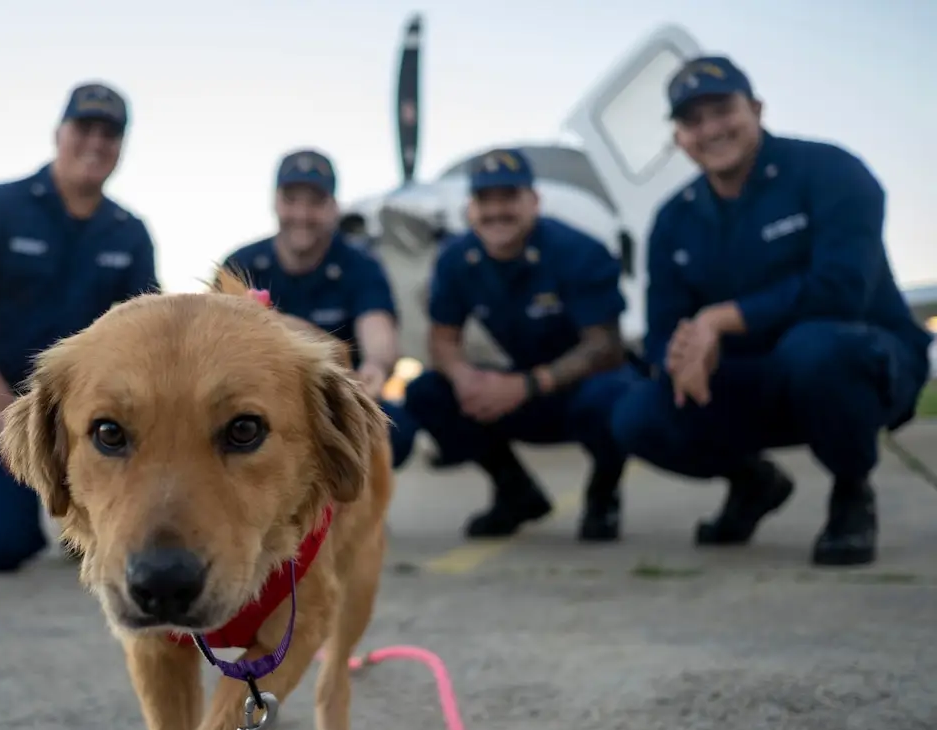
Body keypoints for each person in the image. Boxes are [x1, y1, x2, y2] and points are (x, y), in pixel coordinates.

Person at [609, 56, 933, 566]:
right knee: (636, 414)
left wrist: (718, 320)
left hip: (861, 362)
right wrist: (681, 355)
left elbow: (841, 290)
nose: (710, 129)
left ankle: (851, 491)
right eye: (692, 121)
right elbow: (661, 326)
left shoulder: (831, 171)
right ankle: (752, 482)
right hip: (751, 377)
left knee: (817, 349)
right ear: (678, 138)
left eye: (723, 110)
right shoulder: (673, 218)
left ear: (756, 109)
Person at [0, 81, 159, 573]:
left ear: (121, 147)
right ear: (59, 133)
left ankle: (59, 491)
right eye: (85, 127)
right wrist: (0, 407)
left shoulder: (129, 232)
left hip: (75, 418)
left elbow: (147, 333)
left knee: (93, 547)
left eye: (110, 134)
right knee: (2, 546)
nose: (96, 142)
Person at [403, 147, 639, 541]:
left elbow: (606, 347)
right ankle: (515, 492)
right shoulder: (456, 259)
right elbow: (443, 338)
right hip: (520, 387)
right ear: (471, 208)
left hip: (575, 388)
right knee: (427, 392)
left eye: (509, 198)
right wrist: (464, 377)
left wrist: (526, 385)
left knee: (614, 397)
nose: (497, 211)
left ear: (533, 201)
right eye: (485, 200)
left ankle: (604, 493)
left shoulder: (578, 251)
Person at [218, 148, 419, 469]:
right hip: (257, 403)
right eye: (292, 200)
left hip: (335, 399)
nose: (302, 214)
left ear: (334, 207)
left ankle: (353, 513)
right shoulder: (240, 264)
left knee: (396, 430)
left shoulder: (360, 265)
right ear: (275, 202)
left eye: (315, 202)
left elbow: (378, 329)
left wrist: (377, 367)